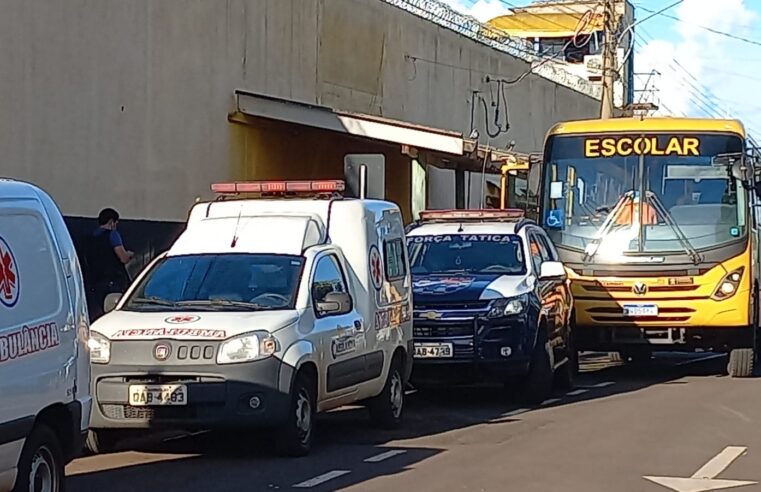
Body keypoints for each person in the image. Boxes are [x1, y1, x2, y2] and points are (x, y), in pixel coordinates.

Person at [84, 208, 134, 320]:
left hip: (95, 281)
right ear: (112, 222)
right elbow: (123, 258)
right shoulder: (113, 235)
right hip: (113, 281)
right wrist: (130, 254)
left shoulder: (90, 238)